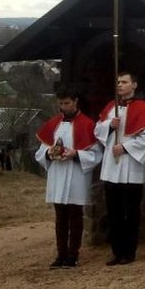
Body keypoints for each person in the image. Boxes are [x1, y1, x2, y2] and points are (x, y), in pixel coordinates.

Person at [95, 71, 145, 266]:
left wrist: (124, 147)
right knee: (114, 211)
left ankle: (129, 251)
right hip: (112, 167)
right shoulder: (110, 107)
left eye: (124, 82)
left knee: (131, 211)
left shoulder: (144, 108)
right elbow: (97, 130)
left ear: (134, 85)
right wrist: (109, 125)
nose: (120, 85)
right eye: (118, 82)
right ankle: (117, 250)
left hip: (131, 165)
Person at [34, 86, 100, 268]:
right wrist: (49, 153)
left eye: (67, 103)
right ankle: (60, 253)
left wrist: (76, 155)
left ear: (76, 101)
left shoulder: (87, 124)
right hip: (57, 172)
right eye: (61, 103)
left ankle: (73, 254)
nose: (64, 107)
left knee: (75, 215)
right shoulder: (53, 123)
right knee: (60, 216)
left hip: (76, 173)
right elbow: (41, 151)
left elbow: (95, 154)